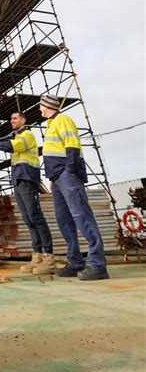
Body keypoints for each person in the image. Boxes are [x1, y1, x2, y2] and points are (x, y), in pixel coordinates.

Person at [40, 94, 109, 280]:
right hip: (58, 178)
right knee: (65, 221)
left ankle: (98, 264)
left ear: (47, 106)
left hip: (67, 175)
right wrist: (54, 178)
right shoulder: (50, 124)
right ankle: (75, 261)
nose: (39, 108)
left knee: (82, 217)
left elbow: (72, 147)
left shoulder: (63, 119)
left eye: (41, 105)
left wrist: (69, 172)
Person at [0, 112, 55, 275]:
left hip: (27, 179)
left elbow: (13, 147)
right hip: (19, 181)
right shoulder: (17, 137)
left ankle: (49, 257)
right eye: (10, 119)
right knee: (28, 219)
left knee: (35, 217)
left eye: (15, 118)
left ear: (23, 120)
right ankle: (37, 256)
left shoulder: (27, 135)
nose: (12, 121)